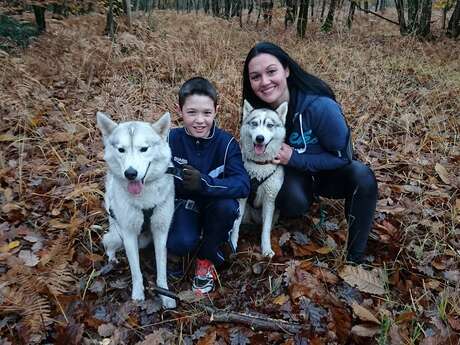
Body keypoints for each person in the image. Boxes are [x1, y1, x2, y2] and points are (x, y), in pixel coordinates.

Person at [241, 42, 378, 263]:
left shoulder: (320, 106)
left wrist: (296, 158)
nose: (264, 82)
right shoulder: (258, 113)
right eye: (255, 77)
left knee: (363, 177)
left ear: (286, 70)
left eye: (271, 71)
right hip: (294, 175)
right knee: (291, 200)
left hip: (330, 172)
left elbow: (343, 156)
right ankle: (296, 206)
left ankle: (355, 256)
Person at [167, 77, 250, 293]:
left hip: (215, 205)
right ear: (180, 110)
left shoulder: (226, 143)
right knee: (180, 242)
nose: (199, 120)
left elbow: (242, 184)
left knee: (227, 207)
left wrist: (205, 183)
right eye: (192, 112)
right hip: (185, 205)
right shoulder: (170, 139)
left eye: (206, 113)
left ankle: (206, 258)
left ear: (216, 110)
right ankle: (178, 251)